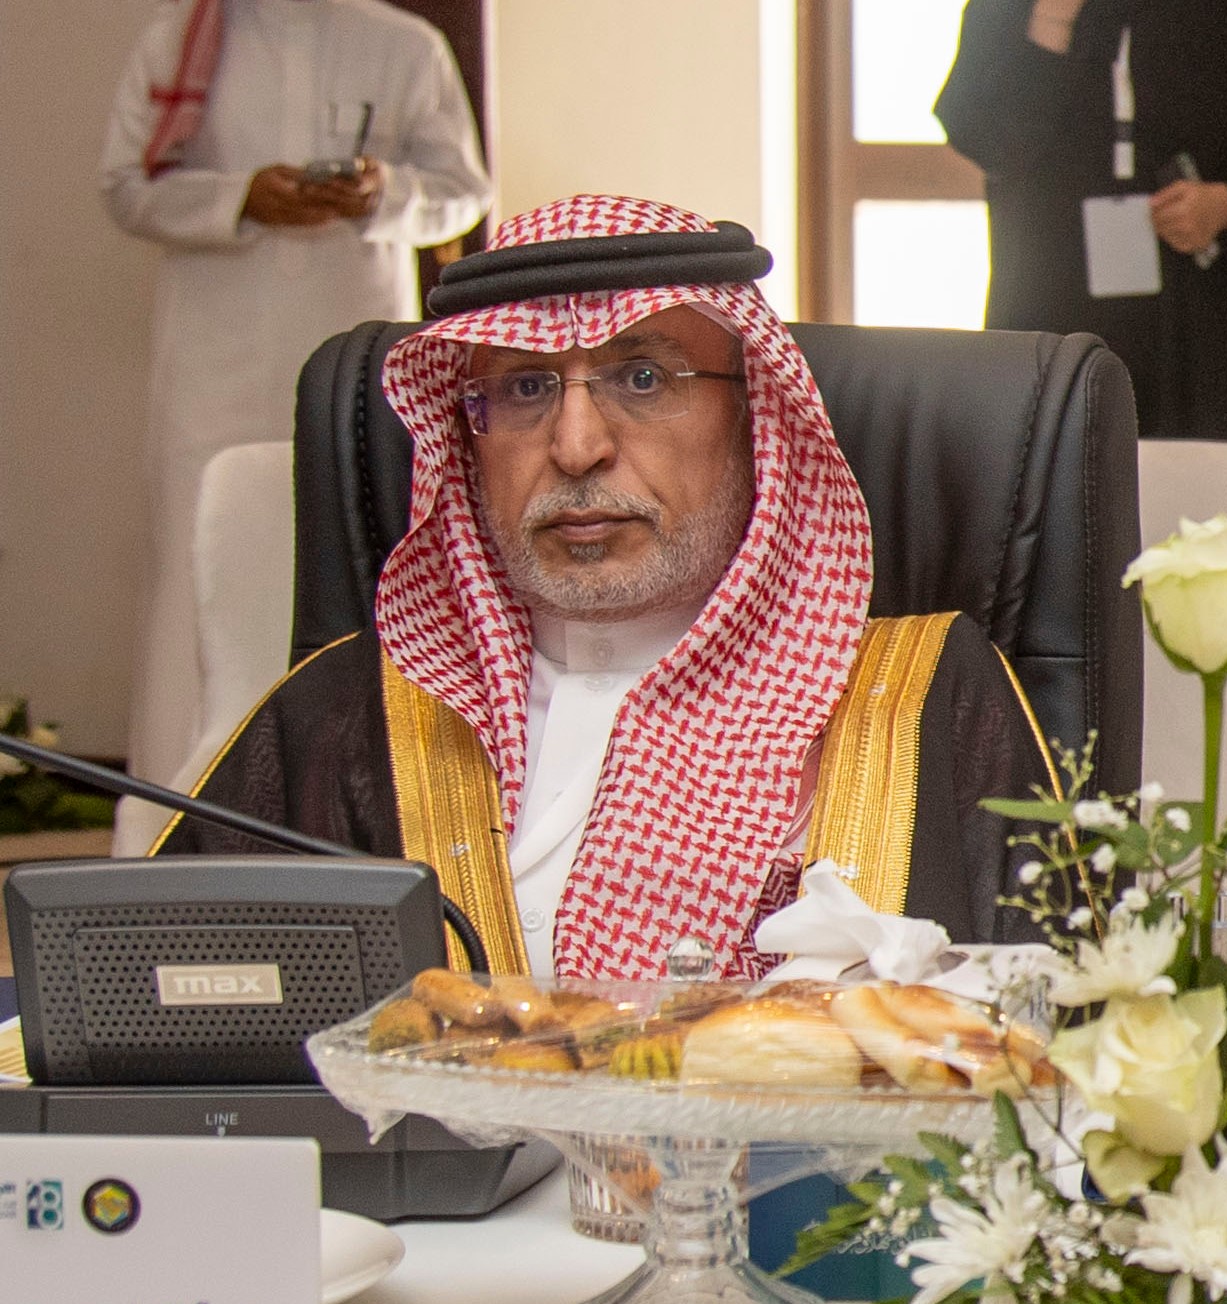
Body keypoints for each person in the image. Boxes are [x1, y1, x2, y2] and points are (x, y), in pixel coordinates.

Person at [161, 196, 1053, 982]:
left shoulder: (919, 697)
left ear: (754, 420)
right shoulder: (344, 714)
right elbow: (159, 1013)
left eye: (643, 379)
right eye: (525, 387)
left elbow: (1046, 1037)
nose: (577, 446)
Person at [101, 0, 490, 843]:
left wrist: (384, 192)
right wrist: (241, 198)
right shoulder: (182, 39)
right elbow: (126, 188)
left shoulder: (404, 45)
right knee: (195, 569)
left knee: (354, 552)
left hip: (348, 352)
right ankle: (174, 821)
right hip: (212, 363)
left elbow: (462, 194)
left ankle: (361, 810)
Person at [939, 0, 1227, 441]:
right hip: (1054, 310)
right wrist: (1051, 20)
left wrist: (1223, 205)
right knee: (1058, 470)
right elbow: (983, 139)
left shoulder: (1217, 11)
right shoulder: (1007, 10)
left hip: (1199, 327)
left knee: (1210, 478)